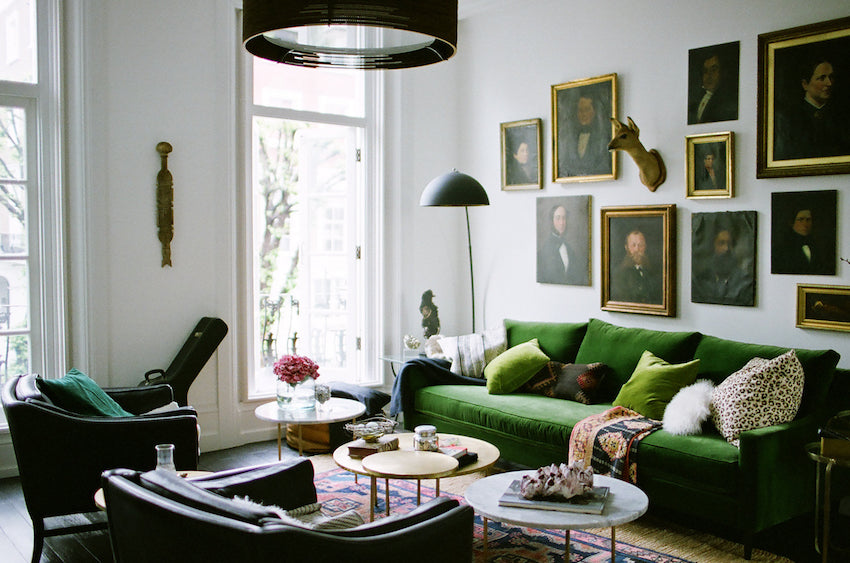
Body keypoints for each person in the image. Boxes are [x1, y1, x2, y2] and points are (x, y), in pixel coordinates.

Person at [774, 57, 850, 160]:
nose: (829, 83)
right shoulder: (789, 117)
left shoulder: (841, 116)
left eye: (831, 77)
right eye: (822, 78)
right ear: (805, 84)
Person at [692, 227, 752, 306]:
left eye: (730, 244)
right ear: (713, 247)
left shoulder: (745, 281)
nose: (726, 248)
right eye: (721, 243)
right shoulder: (700, 280)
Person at [558, 91, 611, 177]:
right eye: (580, 110)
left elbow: (603, 166)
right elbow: (565, 165)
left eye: (587, 109)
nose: (583, 114)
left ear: (594, 112)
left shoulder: (602, 138)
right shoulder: (570, 138)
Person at [772, 207, 832, 274]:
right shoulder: (782, 247)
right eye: (800, 220)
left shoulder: (815, 245)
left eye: (808, 220)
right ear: (792, 222)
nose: (805, 224)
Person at [537, 204, 586, 285]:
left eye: (564, 218)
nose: (562, 222)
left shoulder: (568, 248)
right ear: (551, 221)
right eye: (558, 218)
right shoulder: (544, 251)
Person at [611, 229, 662, 304]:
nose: (637, 249)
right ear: (627, 247)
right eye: (633, 245)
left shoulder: (655, 271)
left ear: (645, 247)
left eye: (640, 245)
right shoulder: (619, 273)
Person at [688, 52, 738, 124]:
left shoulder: (729, 103)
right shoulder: (696, 99)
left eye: (713, 70)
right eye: (705, 71)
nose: (709, 76)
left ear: (723, 72)